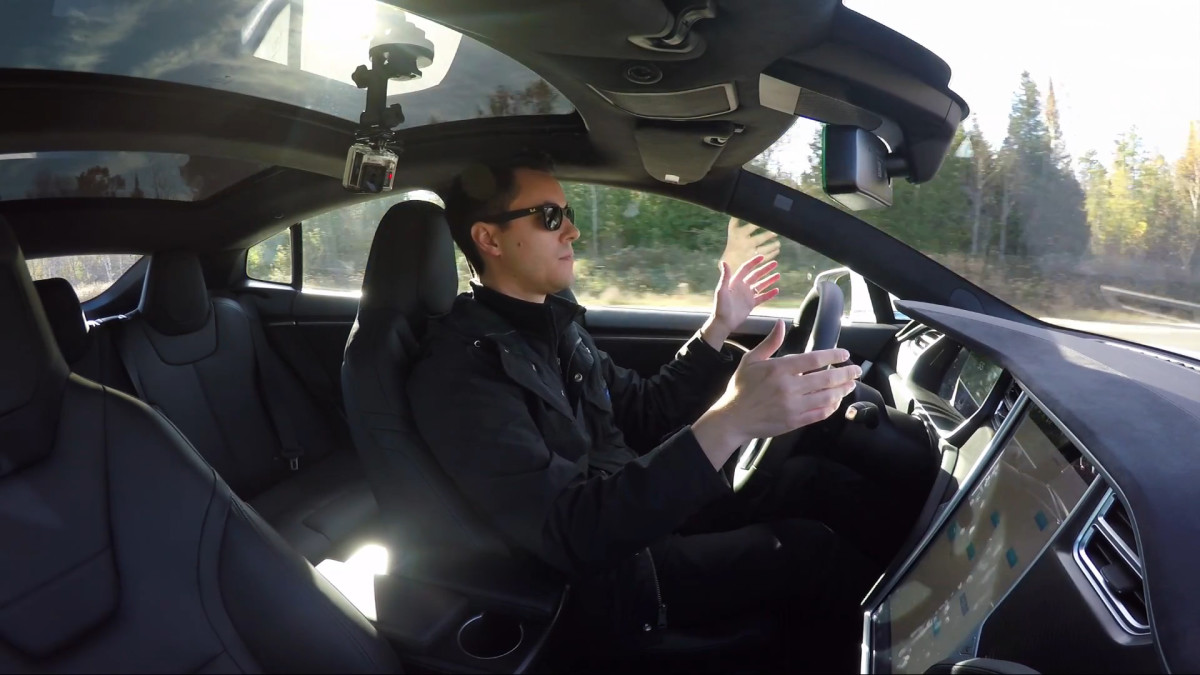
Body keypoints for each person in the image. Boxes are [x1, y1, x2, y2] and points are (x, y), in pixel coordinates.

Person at [408, 152, 931, 664]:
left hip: (637, 515)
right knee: (810, 553)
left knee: (812, 480)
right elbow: (573, 533)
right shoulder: (463, 373)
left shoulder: (554, 327)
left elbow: (644, 410)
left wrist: (718, 327)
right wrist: (731, 420)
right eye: (549, 217)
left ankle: (935, 580)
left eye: (568, 213)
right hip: (616, 579)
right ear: (489, 238)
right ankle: (923, 646)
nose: (572, 231)